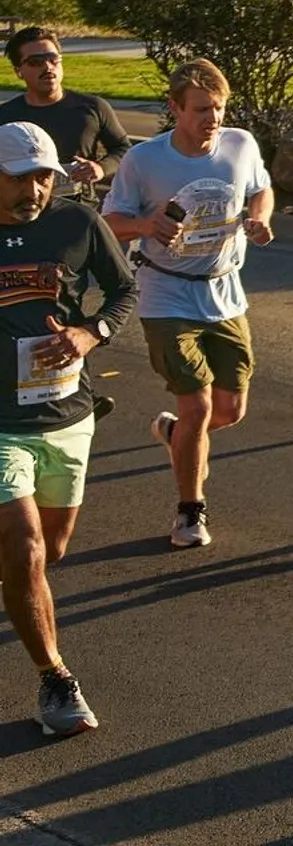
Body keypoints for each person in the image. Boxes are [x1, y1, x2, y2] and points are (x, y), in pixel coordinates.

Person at [102, 59, 273, 550]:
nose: (212, 118)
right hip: (166, 292)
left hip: (224, 292)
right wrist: (147, 225)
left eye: (218, 108)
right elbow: (110, 220)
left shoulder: (240, 145)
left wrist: (260, 218)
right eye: (201, 109)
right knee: (198, 405)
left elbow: (261, 189)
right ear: (174, 109)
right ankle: (189, 513)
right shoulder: (145, 161)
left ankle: (177, 433)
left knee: (230, 409)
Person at [0, 123, 135, 737]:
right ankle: (56, 681)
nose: (34, 187)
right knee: (25, 549)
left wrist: (91, 333)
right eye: (19, 175)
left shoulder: (77, 223)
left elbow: (123, 292)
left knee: (48, 554)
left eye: (43, 175)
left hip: (66, 415)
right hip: (1, 424)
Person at [0, 27, 134, 205]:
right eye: (35, 62)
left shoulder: (92, 107)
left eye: (53, 59)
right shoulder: (6, 116)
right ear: (19, 71)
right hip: (23, 213)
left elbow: (123, 149)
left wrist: (100, 168)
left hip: (80, 212)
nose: (47, 67)